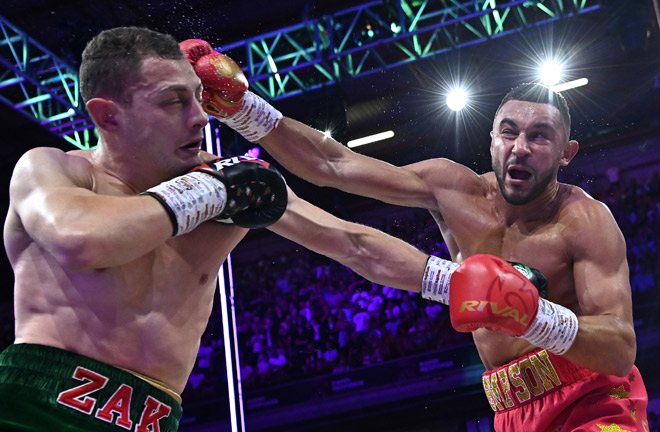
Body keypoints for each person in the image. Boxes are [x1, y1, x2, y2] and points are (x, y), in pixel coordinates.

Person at [0, 27, 440, 432]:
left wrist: (454, 283)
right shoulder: (54, 170)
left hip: (155, 418)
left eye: (198, 97)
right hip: (38, 408)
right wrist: (208, 192)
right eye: (174, 101)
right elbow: (80, 241)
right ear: (109, 117)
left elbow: (352, 244)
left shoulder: (228, 184)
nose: (201, 118)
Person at [200, 44, 650, 431]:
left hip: (594, 402)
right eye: (509, 132)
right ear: (491, 139)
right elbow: (333, 165)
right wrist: (243, 109)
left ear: (566, 153)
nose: (520, 147)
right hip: (510, 409)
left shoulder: (585, 220)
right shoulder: (452, 188)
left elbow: (618, 349)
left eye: (540, 137)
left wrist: (534, 315)